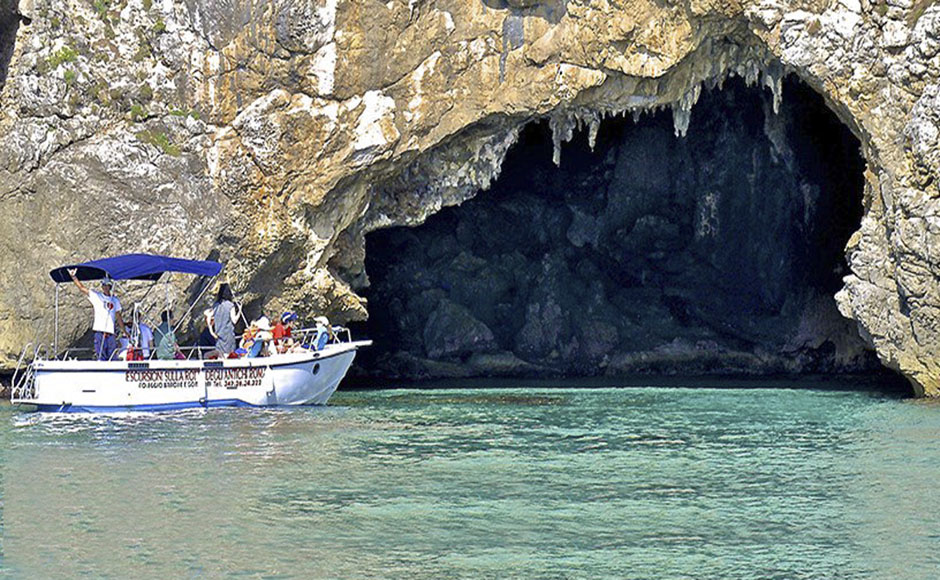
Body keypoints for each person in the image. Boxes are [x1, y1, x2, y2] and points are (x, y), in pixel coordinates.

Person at [67, 269, 126, 361]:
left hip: (111, 334)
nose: (105, 287)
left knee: (113, 357)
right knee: (101, 356)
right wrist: (73, 277)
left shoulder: (115, 300)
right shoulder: (97, 296)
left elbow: (118, 317)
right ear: (102, 286)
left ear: (110, 286)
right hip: (100, 332)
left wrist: (125, 331)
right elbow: (82, 288)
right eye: (104, 285)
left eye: (107, 285)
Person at [210, 284, 240, 357]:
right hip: (228, 336)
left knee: (220, 356)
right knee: (229, 356)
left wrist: (211, 331)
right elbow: (234, 320)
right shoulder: (230, 305)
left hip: (219, 336)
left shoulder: (215, 305)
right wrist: (240, 310)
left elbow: (209, 317)